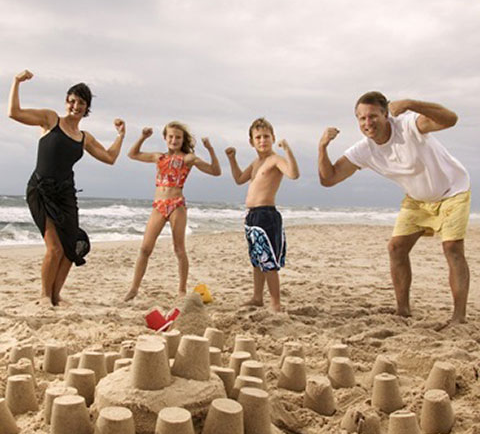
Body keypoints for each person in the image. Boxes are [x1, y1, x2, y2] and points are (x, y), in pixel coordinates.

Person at [318, 91, 470, 324]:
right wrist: (322, 147)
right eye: (362, 118)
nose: (368, 123)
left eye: (373, 116)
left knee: (452, 248)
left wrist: (411, 103)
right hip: (418, 199)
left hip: (453, 191)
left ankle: (458, 317)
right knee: (396, 248)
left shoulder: (409, 125)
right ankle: (403, 310)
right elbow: (328, 179)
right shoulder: (364, 150)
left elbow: (451, 119)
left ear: (386, 114)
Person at [8, 69, 126, 307]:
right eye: (72, 101)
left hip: (66, 194)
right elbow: (14, 113)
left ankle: (55, 296)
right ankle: (44, 295)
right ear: (66, 102)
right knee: (54, 248)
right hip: (40, 190)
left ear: (86, 108)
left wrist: (121, 135)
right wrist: (16, 82)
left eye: (81, 103)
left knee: (71, 248)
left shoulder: (84, 137)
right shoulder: (51, 120)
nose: (75, 106)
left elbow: (110, 157)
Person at [124, 122, 221, 301]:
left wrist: (210, 149)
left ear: (182, 139)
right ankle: (134, 288)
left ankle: (182, 290)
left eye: (178, 137)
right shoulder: (158, 157)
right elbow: (132, 154)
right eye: (170, 136)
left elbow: (216, 171)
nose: (174, 140)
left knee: (179, 249)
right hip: (159, 205)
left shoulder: (188, 158)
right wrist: (143, 137)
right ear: (165, 138)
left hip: (177, 204)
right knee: (145, 248)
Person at [225, 118, 300, 312]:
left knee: (269, 262)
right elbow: (239, 179)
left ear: (273, 138)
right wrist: (232, 159)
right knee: (256, 260)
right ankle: (257, 297)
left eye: (266, 136)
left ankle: (275, 303)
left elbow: (293, 174)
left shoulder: (275, 159)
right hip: (252, 216)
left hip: (266, 215)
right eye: (258, 137)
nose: (262, 140)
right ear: (251, 141)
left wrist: (287, 150)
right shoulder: (256, 162)